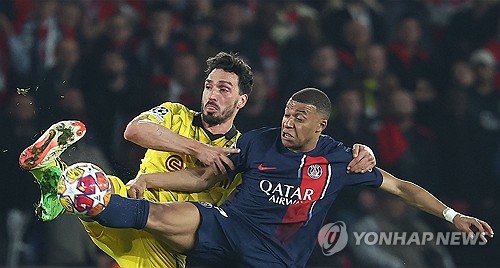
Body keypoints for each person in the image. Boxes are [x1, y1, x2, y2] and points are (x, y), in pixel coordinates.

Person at [21, 88, 493, 267]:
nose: (288, 122)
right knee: (138, 212)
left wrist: (452, 215)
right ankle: (59, 179)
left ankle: (61, 184)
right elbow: (208, 179)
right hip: (225, 226)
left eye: (299, 117)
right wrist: (149, 182)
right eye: (287, 113)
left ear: (321, 126)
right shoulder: (259, 141)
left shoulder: (343, 162)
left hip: (274, 259)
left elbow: (404, 189)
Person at [19, 53, 377, 267]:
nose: (212, 94)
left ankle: (54, 182)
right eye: (209, 85)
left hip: (169, 249)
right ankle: (53, 178)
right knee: (98, 186)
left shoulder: (242, 151)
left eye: (224, 89)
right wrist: (197, 149)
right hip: (136, 203)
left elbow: (221, 195)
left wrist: (362, 152)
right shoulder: (174, 114)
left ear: (241, 102)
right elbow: (135, 130)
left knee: (90, 192)